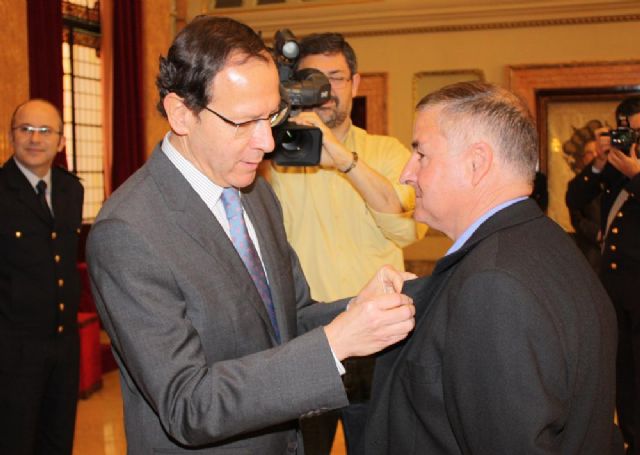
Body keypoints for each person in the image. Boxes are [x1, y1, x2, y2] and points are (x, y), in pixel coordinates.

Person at [85, 16, 415, 454]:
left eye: (272, 116)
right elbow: (189, 404)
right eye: (244, 122)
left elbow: (290, 317)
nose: (266, 142)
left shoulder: (255, 192)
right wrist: (336, 343)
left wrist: (358, 309)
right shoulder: (128, 232)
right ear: (182, 113)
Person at [363, 81, 622, 455]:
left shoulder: (493, 284)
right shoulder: (546, 243)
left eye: (421, 154)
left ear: (476, 163)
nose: (406, 173)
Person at [266, 32, 425, 455]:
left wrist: (341, 157)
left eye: (334, 77)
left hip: (379, 335)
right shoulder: (271, 157)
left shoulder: (387, 153)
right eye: (311, 78)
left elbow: (405, 228)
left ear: (355, 83)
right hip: (305, 337)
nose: (324, 90)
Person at [0, 99, 84, 454]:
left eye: (46, 131)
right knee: (15, 440)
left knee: (58, 438)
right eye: (26, 130)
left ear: (61, 141)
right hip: (12, 349)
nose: (35, 139)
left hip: (64, 344)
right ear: (10, 137)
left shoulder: (70, 189)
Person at [566, 96, 640, 454]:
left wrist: (636, 176)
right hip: (615, 291)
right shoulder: (616, 166)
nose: (631, 140)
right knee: (623, 377)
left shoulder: (631, 170)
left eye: (638, 131)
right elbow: (575, 195)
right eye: (625, 131)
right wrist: (598, 164)